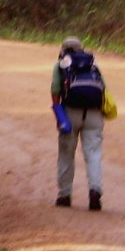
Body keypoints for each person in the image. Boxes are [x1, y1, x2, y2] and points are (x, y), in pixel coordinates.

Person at [52, 36, 105, 211]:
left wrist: (59, 116)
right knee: (93, 153)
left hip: (70, 113)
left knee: (67, 153)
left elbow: (55, 91)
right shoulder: (92, 65)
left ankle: (64, 195)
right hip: (94, 114)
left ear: (63, 49)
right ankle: (95, 190)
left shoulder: (61, 65)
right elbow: (103, 89)